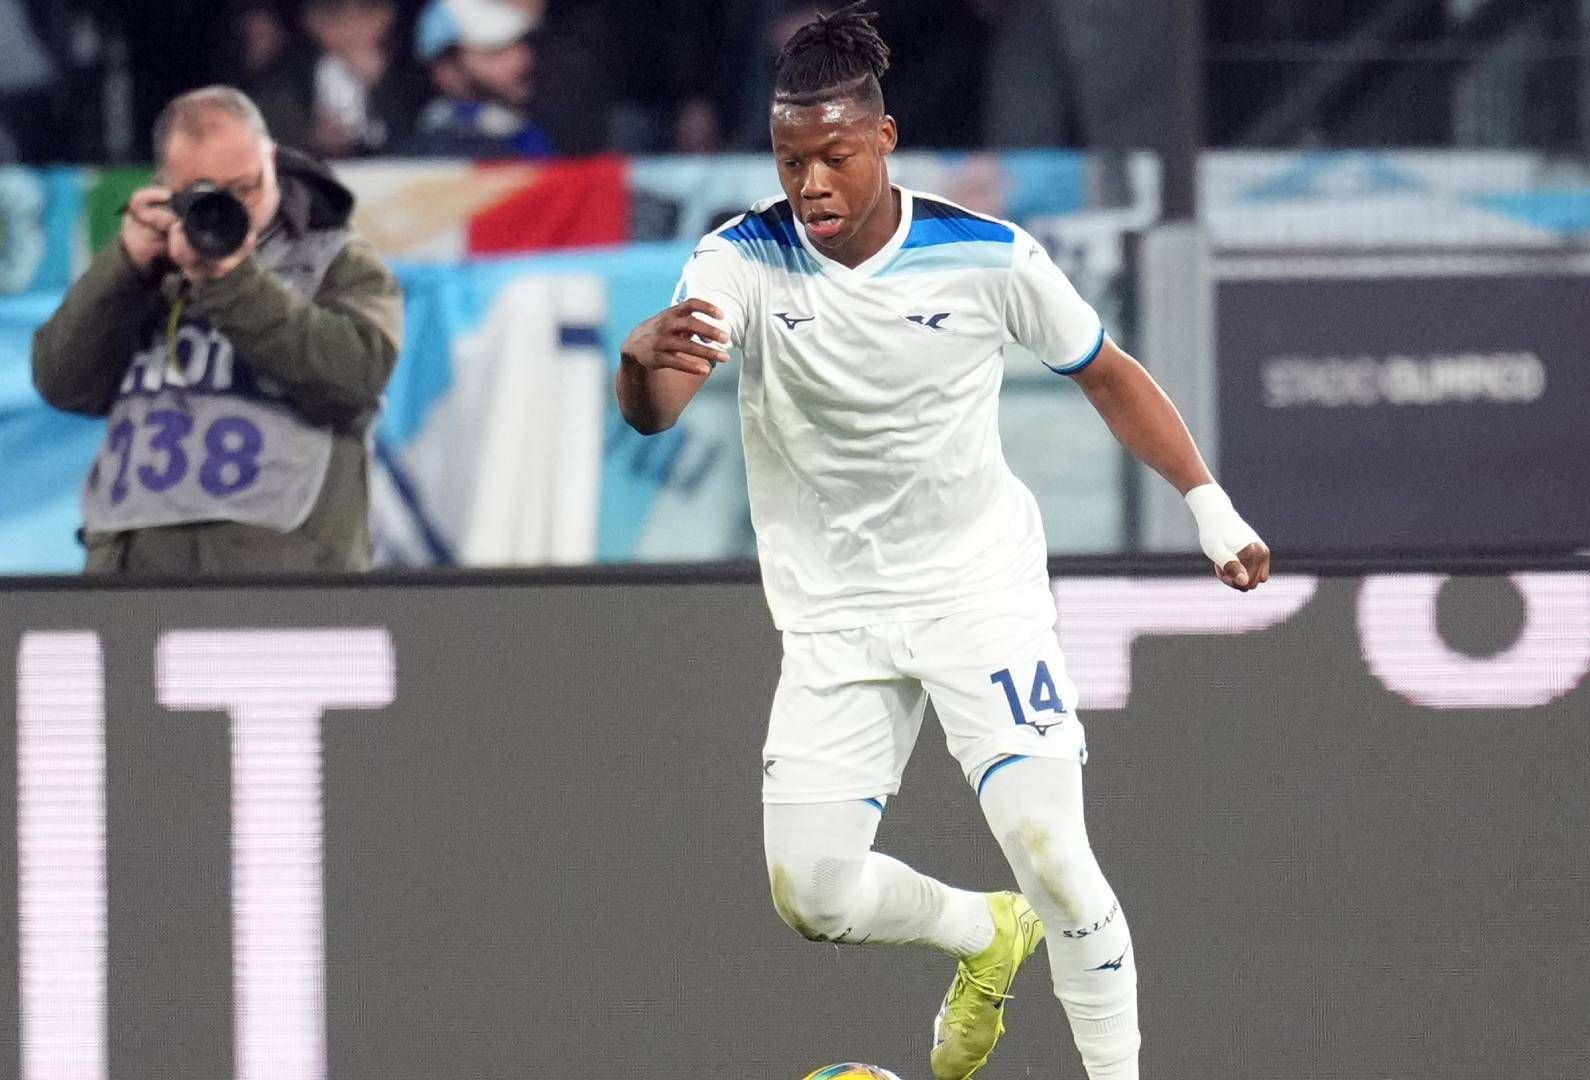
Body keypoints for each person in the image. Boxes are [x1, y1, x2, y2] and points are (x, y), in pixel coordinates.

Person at [613, 6, 1269, 1079]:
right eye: (789, 162)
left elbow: (1107, 372)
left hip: (977, 593)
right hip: (833, 613)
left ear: (884, 139)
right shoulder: (740, 259)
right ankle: (981, 933)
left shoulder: (988, 255)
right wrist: (639, 366)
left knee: (1056, 859)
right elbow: (659, 410)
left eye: (833, 158)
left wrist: (1209, 506)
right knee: (812, 897)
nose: (811, 185)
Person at [31, 85, 402, 574]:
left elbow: (356, 378)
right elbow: (61, 383)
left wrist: (232, 283)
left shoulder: (336, 260)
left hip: (280, 578)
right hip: (132, 576)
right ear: (168, 187)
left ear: (272, 161)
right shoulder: (146, 268)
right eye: (207, 194)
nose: (235, 209)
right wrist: (123, 269)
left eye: (247, 187)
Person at [247, 0, 429, 159]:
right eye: (333, 12)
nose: (352, 25)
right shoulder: (292, 76)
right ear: (309, 19)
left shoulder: (416, 71)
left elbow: (422, 138)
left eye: (368, 8)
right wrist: (312, 139)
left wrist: (381, 85)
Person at [407, 0, 553, 158]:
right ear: (447, 70)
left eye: (522, 44)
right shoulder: (450, 143)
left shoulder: (519, 129)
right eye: (495, 51)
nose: (520, 62)